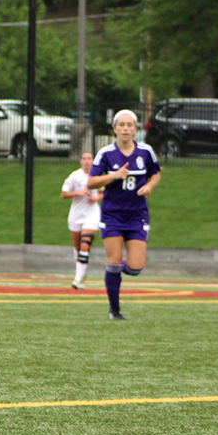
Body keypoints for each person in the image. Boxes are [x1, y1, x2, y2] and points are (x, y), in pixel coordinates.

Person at [87, 109, 160, 321]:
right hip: (112, 215)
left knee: (135, 268)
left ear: (136, 129)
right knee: (115, 262)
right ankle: (115, 310)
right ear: (114, 129)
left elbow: (155, 174)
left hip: (137, 215)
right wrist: (113, 176)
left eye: (130, 125)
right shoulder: (106, 153)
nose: (125, 129)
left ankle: (114, 273)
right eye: (122, 125)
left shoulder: (146, 152)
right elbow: (91, 182)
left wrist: (149, 186)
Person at [61, 152, 102, 289]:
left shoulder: (97, 175)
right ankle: (82, 273)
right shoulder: (75, 176)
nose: (87, 161)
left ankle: (77, 280)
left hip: (92, 214)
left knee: (85, 244)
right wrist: (79, 193)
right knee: (78, 247)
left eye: (89, 159)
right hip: (76, 215)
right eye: (84, 159)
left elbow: (103, 192)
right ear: (80, 161)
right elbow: (64, 194)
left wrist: (96, 198)